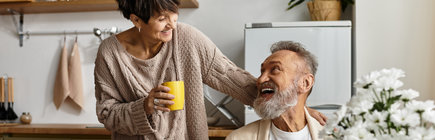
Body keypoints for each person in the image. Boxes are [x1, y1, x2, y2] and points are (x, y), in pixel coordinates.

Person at [94, 0, 326, 139]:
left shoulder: (186, 38)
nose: (172, 24)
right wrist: (144, 106)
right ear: (136, 20)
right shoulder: (110, 54)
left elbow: (232, 78)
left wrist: (296, 106)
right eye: (162, 18)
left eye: (174, 13)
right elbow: (107, 114)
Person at [226, 41, 324, 140]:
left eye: (275, 69)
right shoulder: (237, 138)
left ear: (305, 83)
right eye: (262, 71)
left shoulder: (333, 136)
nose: (260, 79)